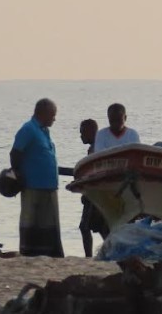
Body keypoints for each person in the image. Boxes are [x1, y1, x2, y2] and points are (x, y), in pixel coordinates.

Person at [10, 98, 64, 257]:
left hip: (48, 186)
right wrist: (18, 175)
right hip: (33, 186)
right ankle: (29, 253)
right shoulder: (28, 129)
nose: (54, 119)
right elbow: (15, 153)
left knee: (49, 223)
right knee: (32, 222)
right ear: (43, 113)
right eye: (52, 115)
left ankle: (51, 253)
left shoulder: (43, 131)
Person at [77, 119, 109, 258]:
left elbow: (95, 173)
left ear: (91, 132)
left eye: (82, 132)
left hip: (95, 193)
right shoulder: (96, 148)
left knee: (86, 227)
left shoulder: (96, 149)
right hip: (97, 193)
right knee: (100, 227)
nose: (81, 136)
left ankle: (89, 256)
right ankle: (109, 251)